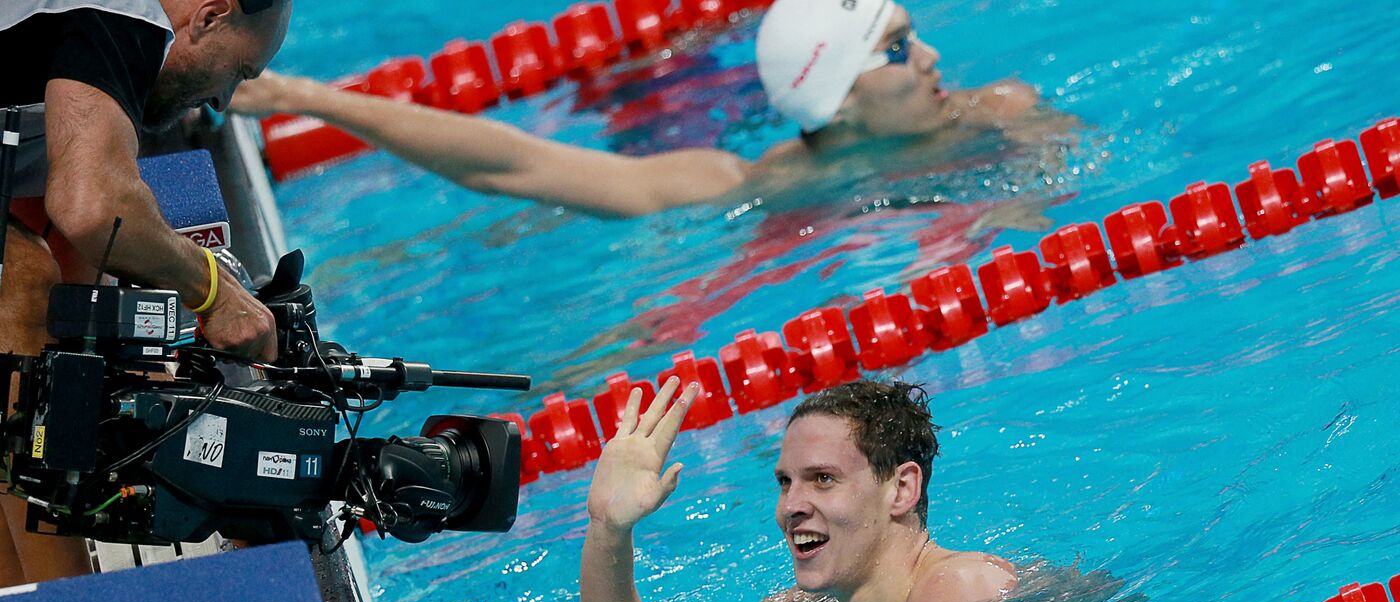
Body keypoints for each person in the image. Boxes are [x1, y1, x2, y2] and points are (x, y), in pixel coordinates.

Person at [229, 0, 1058, 218]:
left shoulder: (1003, 114)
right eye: (896, 47)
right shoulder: (756, 181)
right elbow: (520, 163)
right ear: (832, 107)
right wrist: (307, 98)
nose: (933, 58)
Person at [0, 0, 293, 586]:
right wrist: (214, 292)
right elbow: (92, 208)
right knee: (22, 288)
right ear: (209, 16)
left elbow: (95, 230)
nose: (222, 101)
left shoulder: (87, 49)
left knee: (41, 338)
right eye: (239, 70)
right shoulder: (122, 11)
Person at [581, 376, 1017, 602]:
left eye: (823, 479)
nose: (791, 505)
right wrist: (608, 531)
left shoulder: (958, 585)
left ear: (901, 490)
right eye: (785, 482)